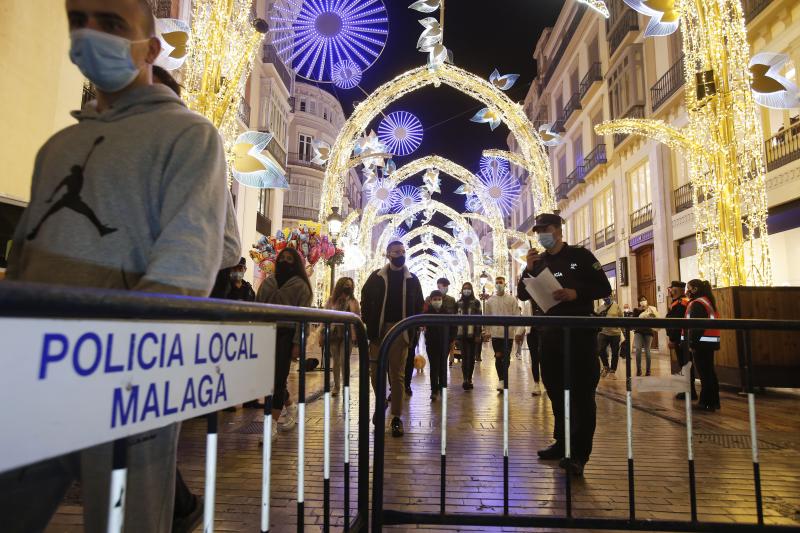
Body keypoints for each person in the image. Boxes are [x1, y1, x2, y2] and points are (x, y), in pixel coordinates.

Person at [1, 2, 228, 531]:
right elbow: (27, 249)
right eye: (78, 19)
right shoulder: (57, 146)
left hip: (124, 375)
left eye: (111, 23)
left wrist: (122, 353)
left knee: (124, 522)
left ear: (150, 49)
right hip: (34, 367)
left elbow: (186, 258)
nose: (89, 33)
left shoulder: (189, 136)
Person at [517, 213, 611, 477]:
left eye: (545, 229)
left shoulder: (581, 256)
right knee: (556, 390)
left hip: (579, 336)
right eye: (538, 231)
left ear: (558, 230)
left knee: (581, 395)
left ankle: (579, 455)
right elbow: (522, 293)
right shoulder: (540, 260)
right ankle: (562, 443)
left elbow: (603, 287)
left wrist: (575, 293)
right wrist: (528, 268)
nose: (541, 235)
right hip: (550, 335)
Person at [361, 241, 424, 437]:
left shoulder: (412, 280)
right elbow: (365, 297)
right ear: (388, 255)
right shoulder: (376, 277)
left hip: (401, 331)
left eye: (403, 252)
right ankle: (381, 404)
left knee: (396, 375)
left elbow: (420, 304)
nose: (400, 254)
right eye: (397, 252)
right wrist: (368, 320)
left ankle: (396, 417)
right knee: (374, 373)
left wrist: (410, 331)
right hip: (378, 331)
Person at [256, 247, 314, 441]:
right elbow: (258, 308)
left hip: (287, 335)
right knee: (267, 379)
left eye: (290, 259)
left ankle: (271, 425)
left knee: (278, 379)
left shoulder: (301, 287)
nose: (285, 262)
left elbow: (302, 318)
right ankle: (290, 406)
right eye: (283, 258)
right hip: (266, 332)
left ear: (295, 263)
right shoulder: (268, 283)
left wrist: (298, 343)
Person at [683, 279, 721, 411]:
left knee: (705, 373)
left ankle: (706, 402)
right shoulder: (706, 300)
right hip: (709, 341)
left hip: (701, 342)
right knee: (709, 372)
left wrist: (691, 342)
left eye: (688, 288)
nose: (686, 291)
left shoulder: (698, 303)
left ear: (695, 289)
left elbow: (695, 326)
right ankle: (713, 401)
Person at [483, 276, 523, 392]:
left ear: (504, 284)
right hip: (496, 334)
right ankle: (501, 380)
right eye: (497, 283)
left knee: (506, 357)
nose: (498, 284)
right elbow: (487, 317)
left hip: (508, 334)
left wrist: (518, 332)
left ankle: (504, 378)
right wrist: (487, 331)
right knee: (498, 355)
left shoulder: (511, 300)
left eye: (500, 282)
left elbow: (516, 315)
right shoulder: (490, 301)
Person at [324, 277, 361, 397]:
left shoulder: (354, 302)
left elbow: (357, 318)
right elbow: (325, 317)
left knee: (344, 360)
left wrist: (356, 336)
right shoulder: (331, 300)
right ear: (340, 286)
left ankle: (346, 385)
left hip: (348, 334)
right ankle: (336, 386)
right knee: (335, 360)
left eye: (350, 285)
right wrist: (322, 334)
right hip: (334, 333)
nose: (348, 287)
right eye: (345, 285)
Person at [423, 290, 457, 400]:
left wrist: (450, 339)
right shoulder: (427, 313)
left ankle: (443, 388)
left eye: (439, 299)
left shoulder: (447, 313)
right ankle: (434, 390)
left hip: (444, 344)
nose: (437, 301)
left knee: (443, 366)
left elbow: (453, 327)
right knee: (434, 367)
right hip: (432, 344)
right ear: (431, 300)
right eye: (435, 299)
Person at [666, 281, 696, 400]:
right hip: (684, 338)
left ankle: (689, 391)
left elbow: (676, 324)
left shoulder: (680, 303)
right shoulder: (682, 302)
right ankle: (689, 390)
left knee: (685, 364)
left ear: (676, 290)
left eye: (671, 289)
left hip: (681, 339)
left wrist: (673, 339)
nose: (670, 291)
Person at [456, 281, 482, 390]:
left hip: (472, 334)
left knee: (471, 357)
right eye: (464, 288)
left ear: (471, 290)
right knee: (464, 357)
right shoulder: (458, 303)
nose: (466, 290)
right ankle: (465, 379)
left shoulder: (476, 302)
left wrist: (478, 334)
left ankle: (469, 379)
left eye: (468, 288)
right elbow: (455, 319)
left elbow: (479, 319)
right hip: (461, 334)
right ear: (462, 290)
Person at [595, 296, 623, 379]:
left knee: (615, 352)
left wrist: (623, 330)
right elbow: (596, 319)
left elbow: (621, 318)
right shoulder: (599, 308)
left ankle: (612, 371)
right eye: (604, 297)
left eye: (608, 297)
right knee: (600, 349)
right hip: (603, 332)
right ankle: (606, 366)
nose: (606, 298)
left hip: (615, 333)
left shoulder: (616, 306)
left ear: (611, 297)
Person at [521, 298, 544, 396]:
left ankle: (545, 381)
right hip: (532, 333)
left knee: (544, 357)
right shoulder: (527, 303)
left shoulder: (545, 299)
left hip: (544, 332)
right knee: (534, 358)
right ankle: (536, 383)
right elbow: (524, 319)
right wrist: (520, 332)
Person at [633, 296, 659, 376]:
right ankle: (639, 369)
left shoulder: (651, 309)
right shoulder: (636, 310)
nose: (643, 301)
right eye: (641, 300)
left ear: (646, 300)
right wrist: (642, 312)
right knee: (638, 349)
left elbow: (655, 318)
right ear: (639, 302)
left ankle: (648, 370)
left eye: (644, 299)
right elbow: (635, 320)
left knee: (647, 350)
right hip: (639, 331)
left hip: (648, 331)